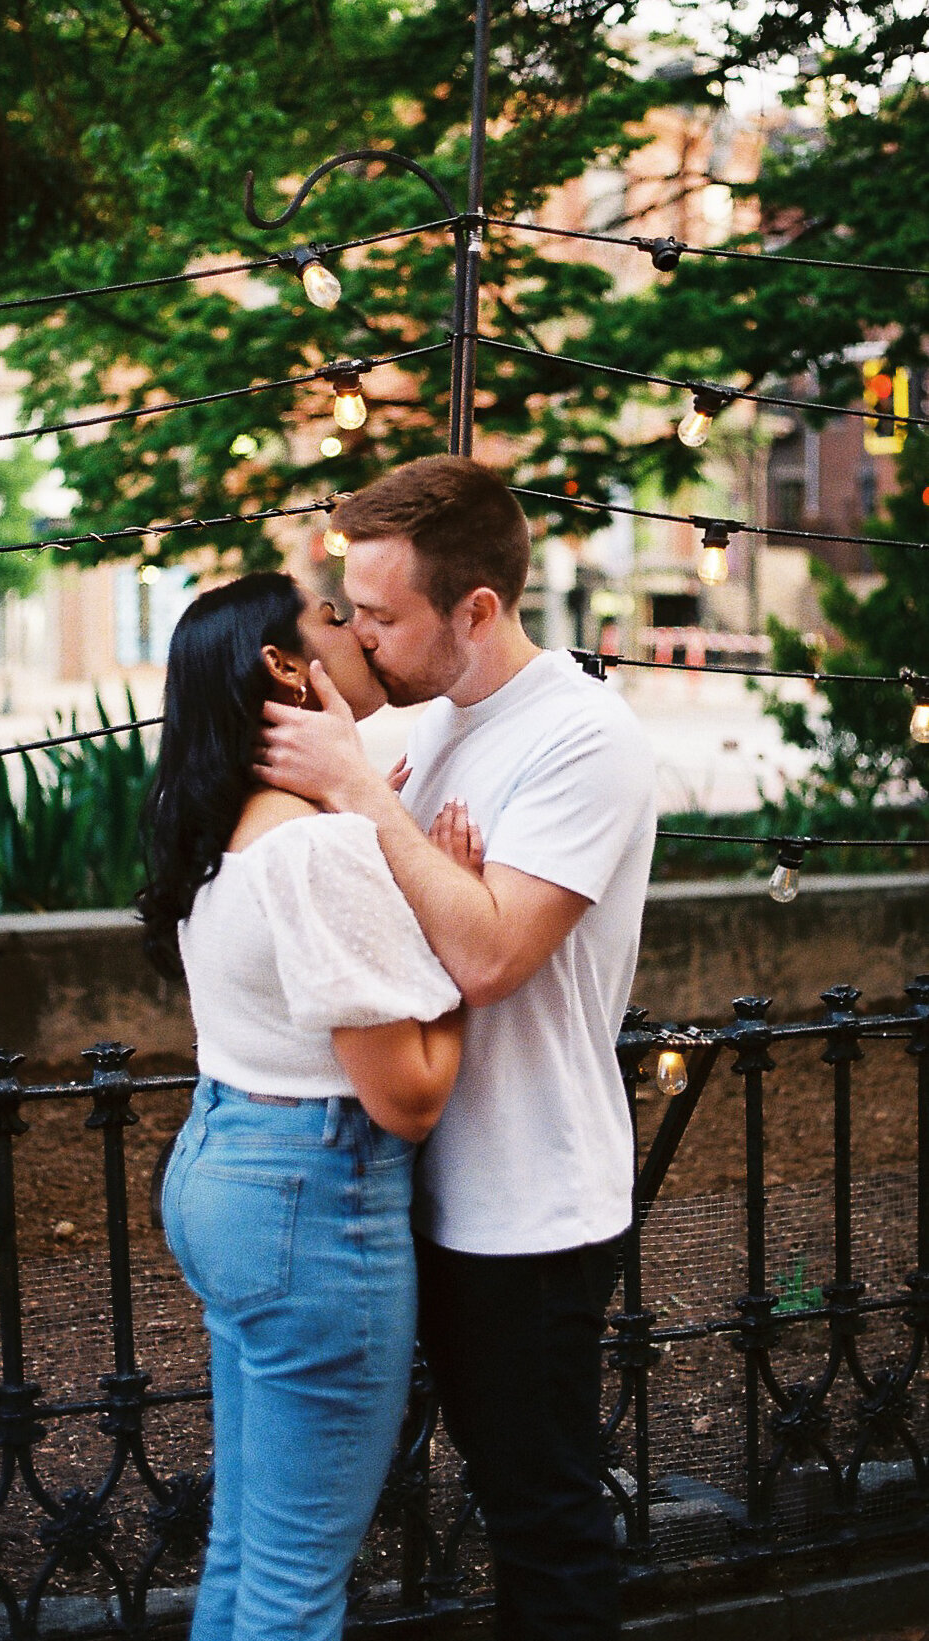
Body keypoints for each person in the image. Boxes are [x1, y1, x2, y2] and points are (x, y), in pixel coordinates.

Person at [256, 455, 657, 1640]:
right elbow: (403, 924)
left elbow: (487, 958)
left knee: (542, 1519)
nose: (364, 637)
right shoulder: (422, 722)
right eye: (355, 611)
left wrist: (369, 808)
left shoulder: (584, 739)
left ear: (475, 608)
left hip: (527, 1205)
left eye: (383, 614)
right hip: (411, 1192)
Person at [137, 571, 463, 1641]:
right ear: (285, 665)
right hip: (311, 1200)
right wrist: (458, 969)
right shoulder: (315, 851)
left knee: (248, 1552)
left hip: (225, 1164)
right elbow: (408, 1096)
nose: (360, 629)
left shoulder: (232, 825)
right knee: (293, 1589)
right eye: (335, 617)